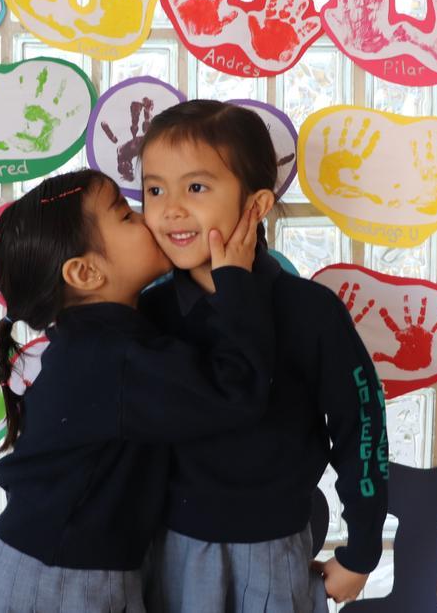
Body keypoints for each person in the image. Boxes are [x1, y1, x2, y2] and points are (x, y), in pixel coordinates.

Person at [0, 168, 275, 612]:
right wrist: (236, 282)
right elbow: (237, 393)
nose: (151, 218)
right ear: (86, 272)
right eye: (126, 216)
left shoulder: (94, 340)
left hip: (45, 564)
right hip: (57, 580)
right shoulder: (113, 356)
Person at [139, 100, 389, 611]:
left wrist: (361, 551)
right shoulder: (148, 312)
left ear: (255, 206)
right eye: (154, 189)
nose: (170, 209)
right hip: (167, 550)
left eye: (196, 187)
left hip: (275, 552)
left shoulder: (309, 310)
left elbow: (360, 425)